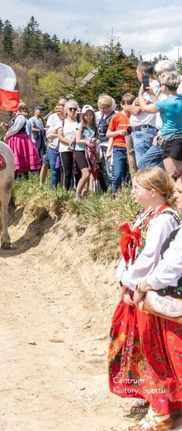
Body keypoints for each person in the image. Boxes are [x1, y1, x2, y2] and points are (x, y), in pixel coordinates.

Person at [109, 167, 181, 431]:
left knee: (153, 350)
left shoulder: (164, 220)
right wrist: (122, 276)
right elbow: (131, 250)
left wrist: (130, 283)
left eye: (137, 187)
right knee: (137, 344)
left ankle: (162, 412)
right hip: (138, 288)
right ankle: (150, 397)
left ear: (152, 192)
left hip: (151, 294)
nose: (132, 192)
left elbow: (152, 259)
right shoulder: (148, 214)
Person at [137, 71, 182, 178]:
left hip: (171, 141)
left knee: (174, 177)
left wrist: (140, 94)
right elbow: (160, 108)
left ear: (165, 87)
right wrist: (152, 94)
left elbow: (144, 108)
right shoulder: (178, 100)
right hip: (179, 139)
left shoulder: (165, 103)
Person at [126, 62, 162, 164]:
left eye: (137, 74)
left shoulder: (152, 86)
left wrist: (128, 107)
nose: (137, 77)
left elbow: (138, 110)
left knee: (144, 166)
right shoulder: (150, 86)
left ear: (141, 72)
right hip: (142, 132)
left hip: (144, 132)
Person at [3, 103, 41, 178]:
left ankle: (23, 176)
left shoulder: (21, 117)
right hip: (15, 139)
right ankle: (15, 176)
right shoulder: (15, 118)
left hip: (20, 139)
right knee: (14, 157)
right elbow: (12, 128)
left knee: (21, 156)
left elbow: (15, 129)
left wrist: (7, 135)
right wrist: (6, 128)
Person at [74, 105, 104, 197]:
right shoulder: (80, 126)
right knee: (86, 173)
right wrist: (89, 141)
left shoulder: (94, 127)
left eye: (90, 114)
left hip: (90, 152)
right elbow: (78, 140)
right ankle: (77, 195)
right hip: (80, 152)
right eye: (86, 115)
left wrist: (96, 141)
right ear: (83, 116)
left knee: (90, 174)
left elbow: (96, 138)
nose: (88, 116)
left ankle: (84, 194)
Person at [108, 94, 134, 193]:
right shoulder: (116, 117)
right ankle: (114, 195)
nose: (130, 107)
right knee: (118, 174)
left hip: (131, 147)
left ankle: (127, 194)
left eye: (131, 104)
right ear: (122, 105)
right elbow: (108, 134)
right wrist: (118, 132)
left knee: (130, 173)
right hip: (119, 147)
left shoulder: (134, 116)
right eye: (128, 104)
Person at [57, 99, 81, 191]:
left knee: (78, 172)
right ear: (66, 110)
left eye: (74, 109)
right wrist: (69, 142)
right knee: (67, 171)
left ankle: (78, 191)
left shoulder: (79, 123)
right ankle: (66, 191)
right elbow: (60, 136)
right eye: (70, 109)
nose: (72, 111)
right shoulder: (62, 122)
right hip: (65, 149)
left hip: (77, 149)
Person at [45, 98, 68, 190]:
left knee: (66, 170)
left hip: (65, 147)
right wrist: (58, 134)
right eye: (57, 111)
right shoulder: (53, 119)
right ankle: (53, 190)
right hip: (54, 147)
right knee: (54, 169)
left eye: (61, 110)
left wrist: (57, 134)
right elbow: (49, 135)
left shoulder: (69, 119)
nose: (59, 112)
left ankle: (66, 189)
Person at [96, 94, 116, 189]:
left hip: (109, 146)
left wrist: (109, 149)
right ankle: (109, 190)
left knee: (111, 170)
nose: (102, 110)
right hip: (101, 146)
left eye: (104, 108)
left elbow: (112, 134)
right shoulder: (102, 117)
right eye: (100, 108)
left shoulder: (113, 116)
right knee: (104, 171)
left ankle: (115, 191)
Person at [29, 105, 48, 184]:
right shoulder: (32, 119)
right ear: (35, 111)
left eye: (41, 110)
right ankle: (34, 174)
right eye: (39, 110)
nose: (40, 111)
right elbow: (31, 128)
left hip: (41, 141)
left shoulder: (41, 120)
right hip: (34, 141)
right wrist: (41, 130)